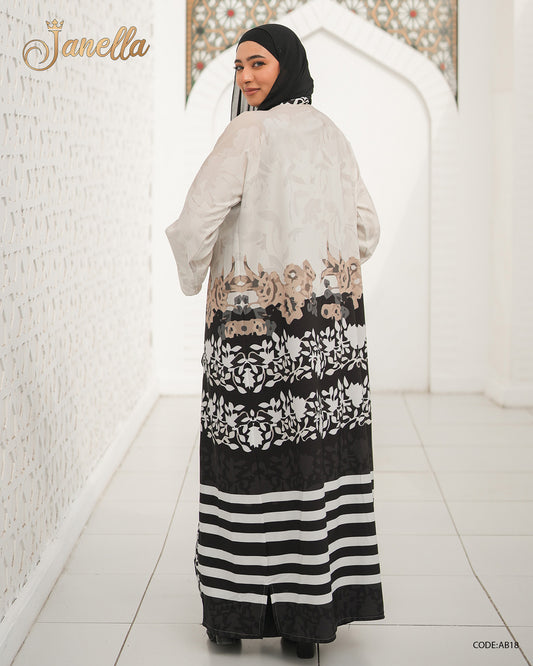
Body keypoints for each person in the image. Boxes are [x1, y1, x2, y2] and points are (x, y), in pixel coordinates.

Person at [165, 23, 384, 659]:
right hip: (328, 336)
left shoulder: (248, 131)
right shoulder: (331, 134)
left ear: (285, 64)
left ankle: (233, 615)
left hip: (252, 330)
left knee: (247, 458)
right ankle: (305, 621)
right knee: (316, 461)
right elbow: (366, 229)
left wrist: (197, 272)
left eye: (257, 63)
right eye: (239, 67)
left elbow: (197, 221)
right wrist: (317, 256)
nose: (247, 77)